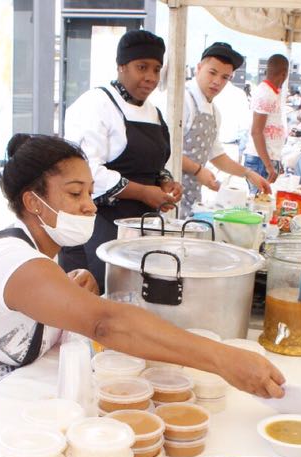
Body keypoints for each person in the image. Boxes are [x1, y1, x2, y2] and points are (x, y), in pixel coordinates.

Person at [0, 135, 284, 397]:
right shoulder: (8, 257)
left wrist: (68, 288)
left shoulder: (41, 261)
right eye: (74, 194)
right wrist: (222, 359)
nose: (89, 207)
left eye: (90, 194)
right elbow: (105, 324)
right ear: (31, 202)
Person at [59, 30, 181, 287]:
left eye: (157, 69)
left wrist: (165, 183)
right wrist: (143, 193)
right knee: (99, 298)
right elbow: (86, 172)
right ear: (121, 66)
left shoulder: (154, 113)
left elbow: (157, 165)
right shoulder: (96, 104)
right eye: (142, 67)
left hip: (140, 227)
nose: (150, 77)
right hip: (98, 225)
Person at [178, 43, 271, 216]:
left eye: (225, 77)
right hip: (169, 195)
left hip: (191, 197)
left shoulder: (214, 112)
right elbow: (166, 150)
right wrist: (198, 170)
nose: (217, 82)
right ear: (199, 68)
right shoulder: (182, 100)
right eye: (212, 73)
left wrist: (248, 174)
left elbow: (216, 155)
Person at [244, 54, 289, 183]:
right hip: (260, 160)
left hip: (266, 159)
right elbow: (256, 132)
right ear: (284, 74)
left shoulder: (272, 92)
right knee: (259, 202)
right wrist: (269, 166)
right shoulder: (265, 93)